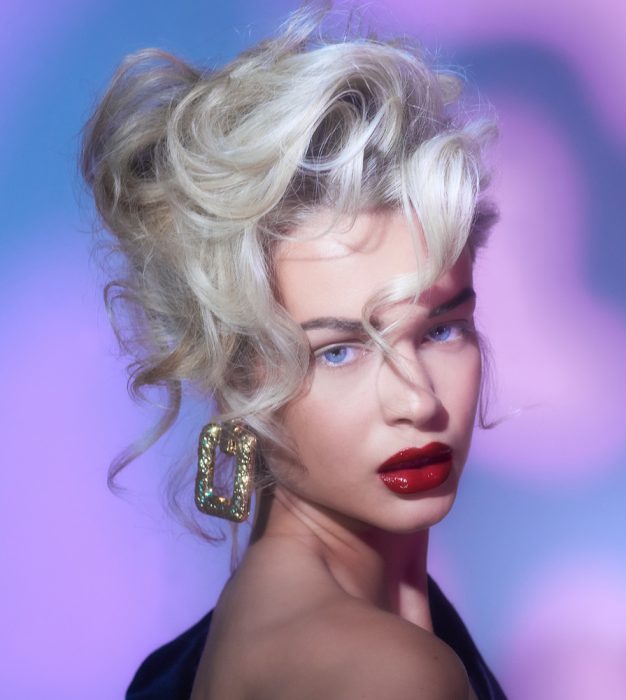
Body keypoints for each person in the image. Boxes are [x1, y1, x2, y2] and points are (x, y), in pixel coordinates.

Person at [81, 4, 506, 699]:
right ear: (236, 380)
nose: (418, 401)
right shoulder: (386, 674)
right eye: (338, 351)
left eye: (440, 330)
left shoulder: (276, 617)